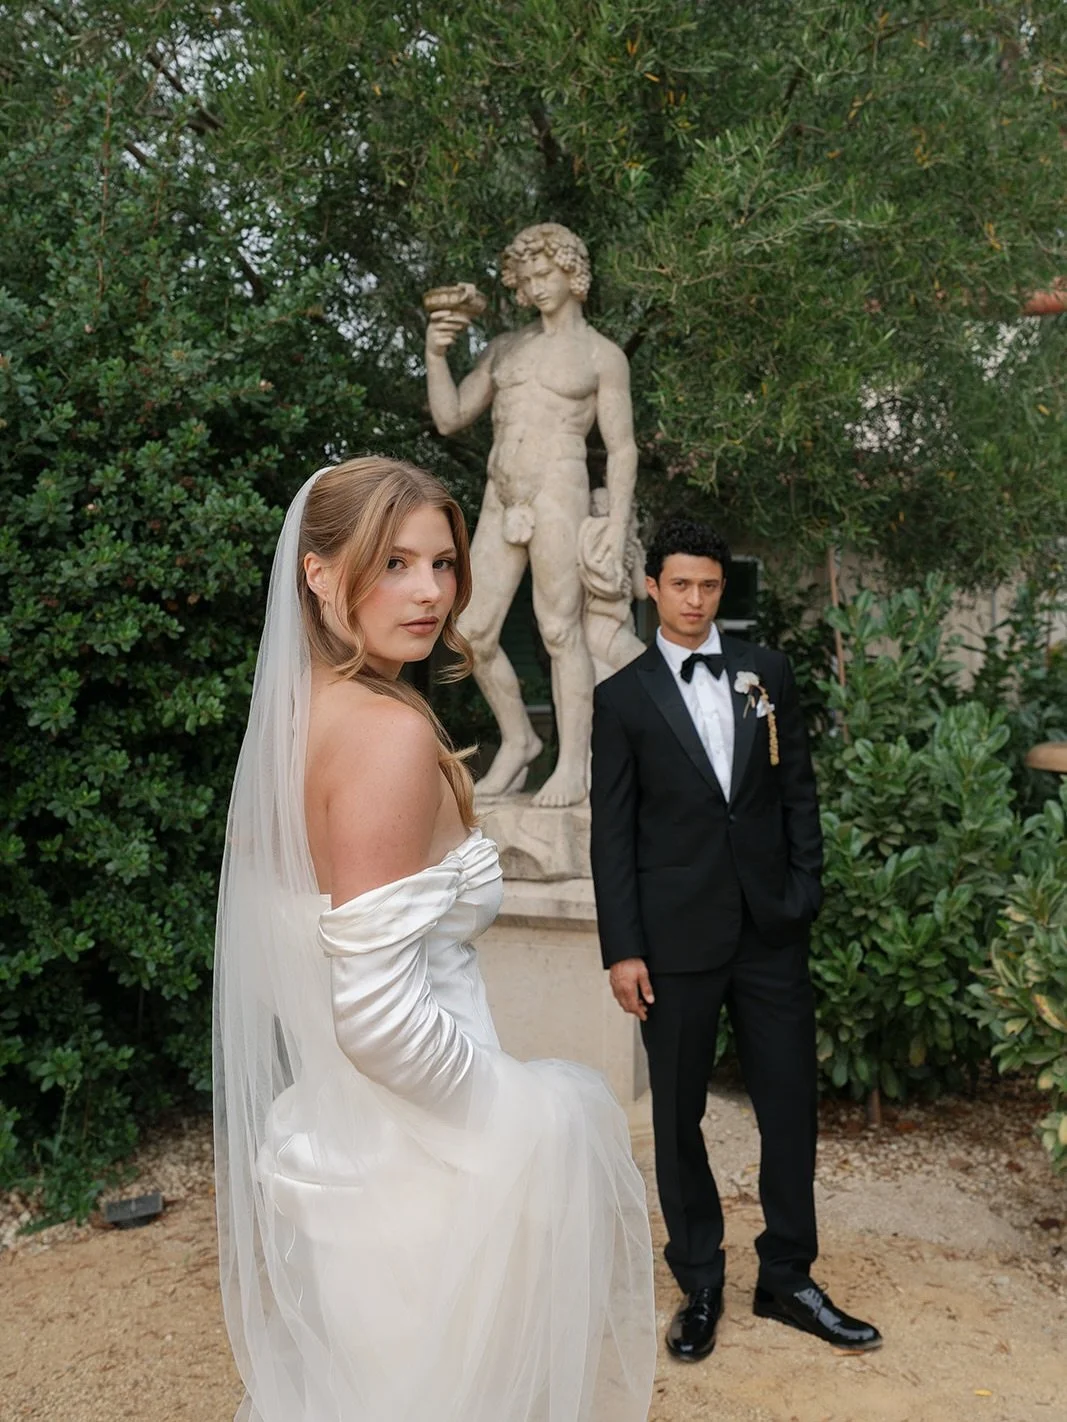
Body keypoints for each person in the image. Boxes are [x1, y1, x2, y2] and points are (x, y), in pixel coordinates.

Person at [213, 456, 655, 1422]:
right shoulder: (383, 737)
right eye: (393, 563)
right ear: (319, 574)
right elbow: (372, 1014)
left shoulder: (295, 724)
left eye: (443, 563)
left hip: (344, 1142)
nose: (428, 592)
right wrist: (517, 1117)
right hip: (428, 1169)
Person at [589, 513, 881, 1363]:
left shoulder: (767, 672)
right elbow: (611, 834)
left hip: (769, 930)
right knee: (676, 1115)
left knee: (789, 1105)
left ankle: (787, 1275)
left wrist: (802, 892)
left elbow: (797, 794)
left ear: (723, 589)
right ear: (652, 588)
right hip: (671, 939)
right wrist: (622, 947)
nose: (692, 599)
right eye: (678, 584)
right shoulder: (621, 698)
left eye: (708, 585)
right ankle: (701, 1278)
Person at [425, 222, 638, 806]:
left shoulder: (602, 356)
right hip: (502, 496)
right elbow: (450, 417)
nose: (538, 285)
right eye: (528, 277)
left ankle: (573, 765)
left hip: (559, 489)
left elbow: (621, 448)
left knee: (559, 628)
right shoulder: (507, 348)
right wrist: (436, 353)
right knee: (471, 632)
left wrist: (615, 523)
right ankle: (519, 741)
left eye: (547, 273)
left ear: (572, 273)